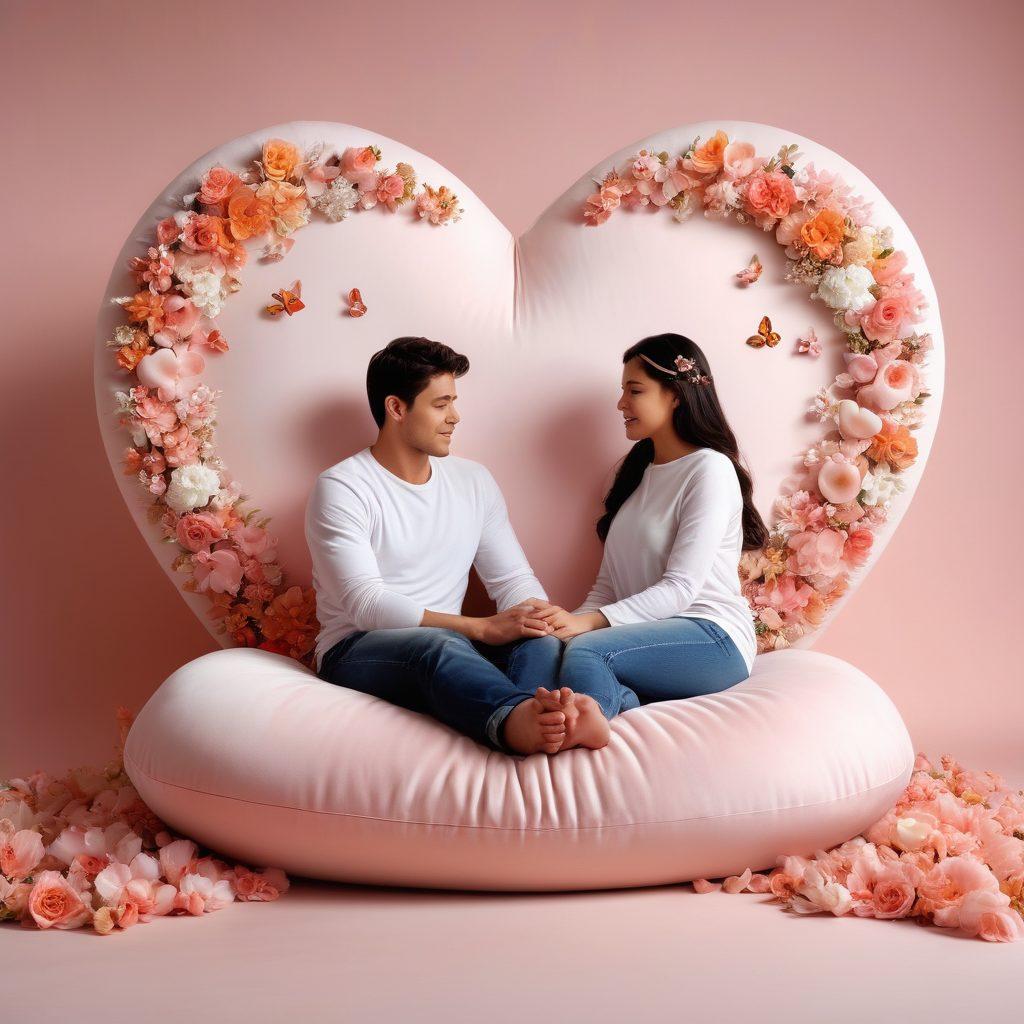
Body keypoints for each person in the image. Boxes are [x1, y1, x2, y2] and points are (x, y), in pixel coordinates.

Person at [305, 336, 568, 757]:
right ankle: (516, 719)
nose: (455, 417)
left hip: (454, 645)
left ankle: (537, 717)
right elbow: (365, 604)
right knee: (437, 645)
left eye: (454, 402)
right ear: (396, 408)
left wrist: (535, 615)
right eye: (441, 404)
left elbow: (513, 578)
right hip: (359, 648)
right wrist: (480, 627)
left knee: (540, 636)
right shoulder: (342, 487)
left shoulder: (473, 481)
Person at [530, 333, 768, 753]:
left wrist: (584, 628)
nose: (621, 404)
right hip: (647, 634)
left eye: (634, 390)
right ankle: (618, 703)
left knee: (588, 653)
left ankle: (582, 727)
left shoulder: (709, 469)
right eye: (622, 391)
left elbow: (681, 589)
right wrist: (562, 626)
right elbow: (607, 588)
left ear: (676, 396)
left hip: (712, 636)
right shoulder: (637, 478)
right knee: (543, 650)